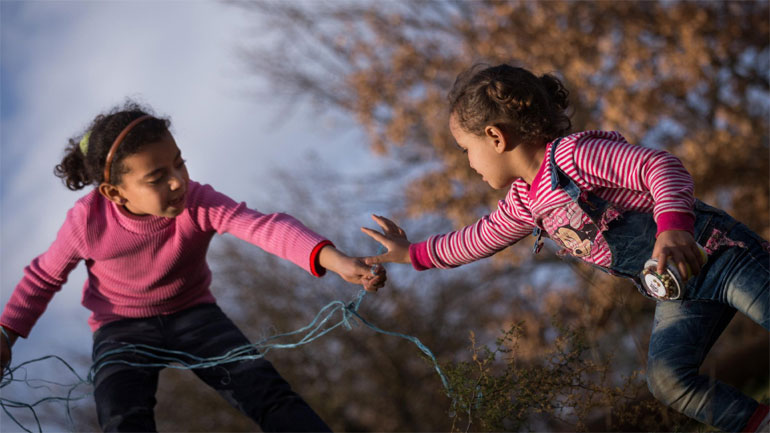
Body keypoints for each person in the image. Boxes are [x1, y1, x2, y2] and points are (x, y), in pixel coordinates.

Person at [361, 63, 769, 432]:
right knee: (669, 380)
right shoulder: (525, 202)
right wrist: (411, 253)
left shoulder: (575, 155)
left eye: (466, 150)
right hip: (682, 290)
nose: (469, 163)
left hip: (719, 252)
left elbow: (660, 167)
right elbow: (476, 239)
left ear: (495, 137)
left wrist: (674, 228)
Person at [0, 101, 386, 432]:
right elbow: (43, 277)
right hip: (120, 329)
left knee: (268, 394)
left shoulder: (199, 201)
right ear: (115, 193)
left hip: (195, 314)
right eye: (157, 177)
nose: (177, 181)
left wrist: (333, 259)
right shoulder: (87, 221)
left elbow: (262, 227)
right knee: (122, 417)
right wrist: (6, 334)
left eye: (179, 163)